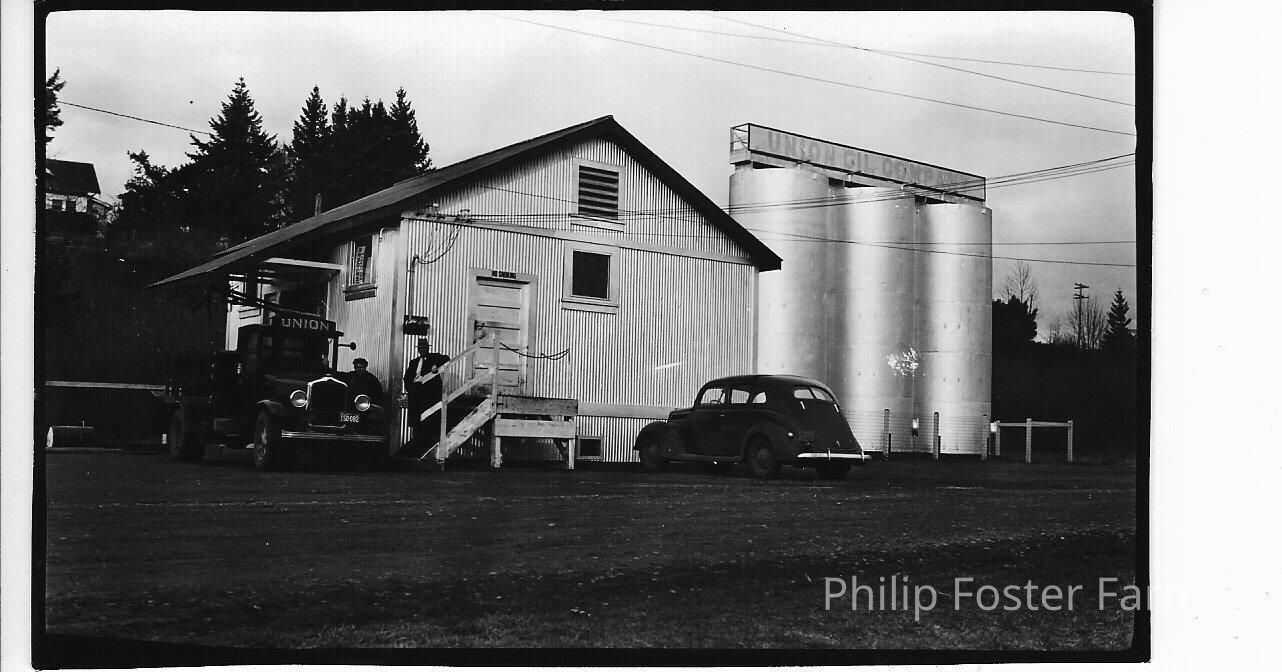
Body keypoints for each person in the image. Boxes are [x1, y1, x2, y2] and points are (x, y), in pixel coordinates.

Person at [403, 339, 450, 453]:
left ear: (428, 348)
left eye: (424, 348)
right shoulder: (414, 362)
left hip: (429, 394)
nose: (423, 350)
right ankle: (417, 443)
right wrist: (410, 389)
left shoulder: (434, 357)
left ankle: (427, 444)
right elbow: (407, 377)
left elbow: (446, 358)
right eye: (420, 348)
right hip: (416, 393)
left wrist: (436, 365)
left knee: (429, 419)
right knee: (416, 419)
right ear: (418, 349)